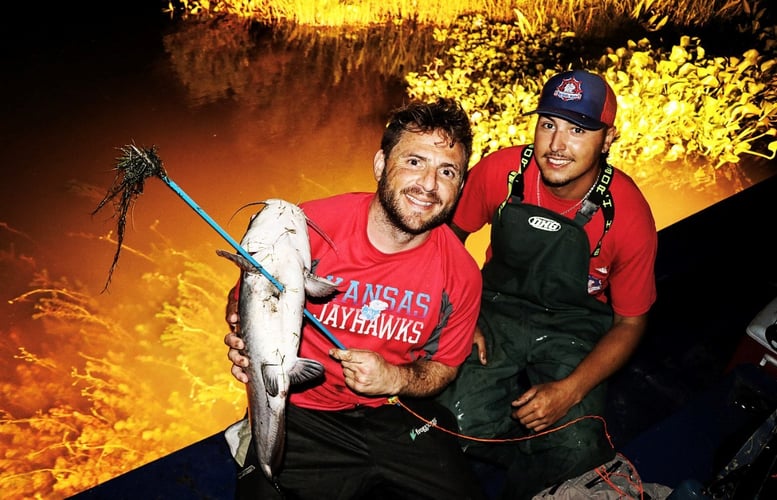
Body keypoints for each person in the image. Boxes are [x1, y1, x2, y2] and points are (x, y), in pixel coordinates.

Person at [223, 98, 486, 500]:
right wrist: (245, 336)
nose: (429, 185)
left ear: (461, 186)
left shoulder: (462, 274)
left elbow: (445, 368)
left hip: (394, 414)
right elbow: (248, 290)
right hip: (304, 415)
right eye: (414, 162)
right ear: (381, 165)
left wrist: (393, 377)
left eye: (447, 171)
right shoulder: (306, 227)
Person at [436, 69, 658, 499]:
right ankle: (529, 454)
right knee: (454, 421)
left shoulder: (628, 214)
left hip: (575, 325)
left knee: (575, 447)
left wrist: (569, 390)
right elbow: (447, 241)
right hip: (495, 306)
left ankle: (541, 473)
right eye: (548, 124)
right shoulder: (500, 171)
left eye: (578, 130)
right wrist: (461, 315)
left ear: (608, 139)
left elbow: (630, 324)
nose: (557, 145)